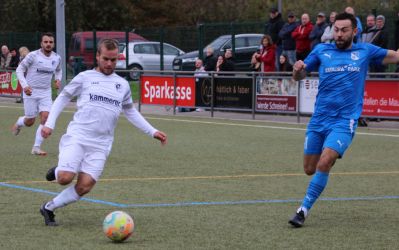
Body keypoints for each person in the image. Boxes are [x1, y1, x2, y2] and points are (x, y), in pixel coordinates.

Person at [39, 38, 167, 226]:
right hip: (78, 137)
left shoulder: (122, 85)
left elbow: (130, 111)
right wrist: (49, 123)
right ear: (97, 56)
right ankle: (58, 170)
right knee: (65, 178)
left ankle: (48, 208)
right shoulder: (84, 77)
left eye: (113, 60)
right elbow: (62, 98)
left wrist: (153, 131)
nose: (109, 63)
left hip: (101, 145)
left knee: (84, 187)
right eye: (106, 59)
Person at [288, 12, 399, 228]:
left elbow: (395, 56)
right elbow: (299, 76)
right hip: (319, 120)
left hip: (344, 120)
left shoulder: (365, 51)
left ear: (354, 31)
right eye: (336, 30)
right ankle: (331, 152)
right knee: (309, 169)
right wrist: (296, 70)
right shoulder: (321, 50)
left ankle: (303, 210)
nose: (338, 34)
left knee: (324, 161)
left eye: (344, 30)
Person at [11, 33, 62, 156]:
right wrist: (25, 86)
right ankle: (19, 122)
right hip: (31, 91)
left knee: (45, 118)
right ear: (41, 43)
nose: (48, 44)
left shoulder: (57, 58)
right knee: (30, 121)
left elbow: (59, 70)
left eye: (50, 42)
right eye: (46, 42)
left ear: (53, 44)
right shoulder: (32, 56)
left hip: (45, 92)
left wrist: (58, 79)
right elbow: (19, 70)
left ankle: (36, 147)